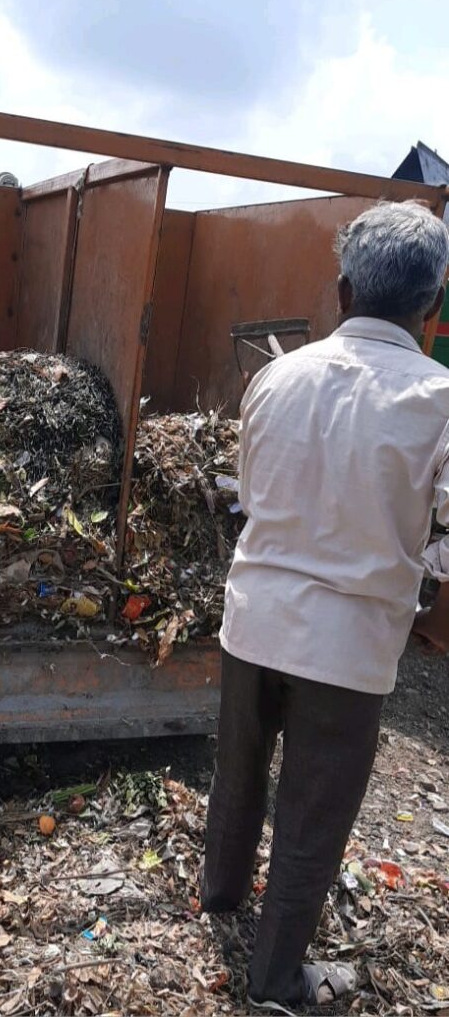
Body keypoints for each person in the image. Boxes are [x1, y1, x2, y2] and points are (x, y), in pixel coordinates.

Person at [201, 201, 449, 1009]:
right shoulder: (438, 398)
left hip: (253, 619)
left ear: (344, 291)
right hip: (348, 648)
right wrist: (420, 568)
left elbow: (251, 492)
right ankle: (276, 980)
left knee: (238, 771)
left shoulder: (278, 375)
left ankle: (219, 897)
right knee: (312, 814)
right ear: (432, 306)